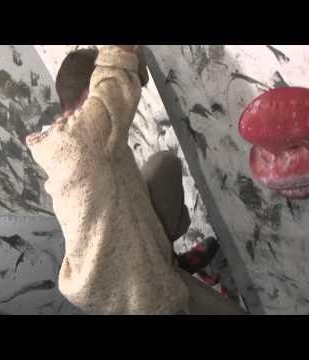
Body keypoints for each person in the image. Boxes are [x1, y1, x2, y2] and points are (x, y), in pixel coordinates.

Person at [27, 45, 244, 315]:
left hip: (127, 247)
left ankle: (168, 260)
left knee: (163, 167)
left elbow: (119, 85)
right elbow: (116, 76)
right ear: (89, 96)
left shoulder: (69, 136)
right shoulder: (81, 141)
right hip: (131, 292)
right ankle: (168, 274)